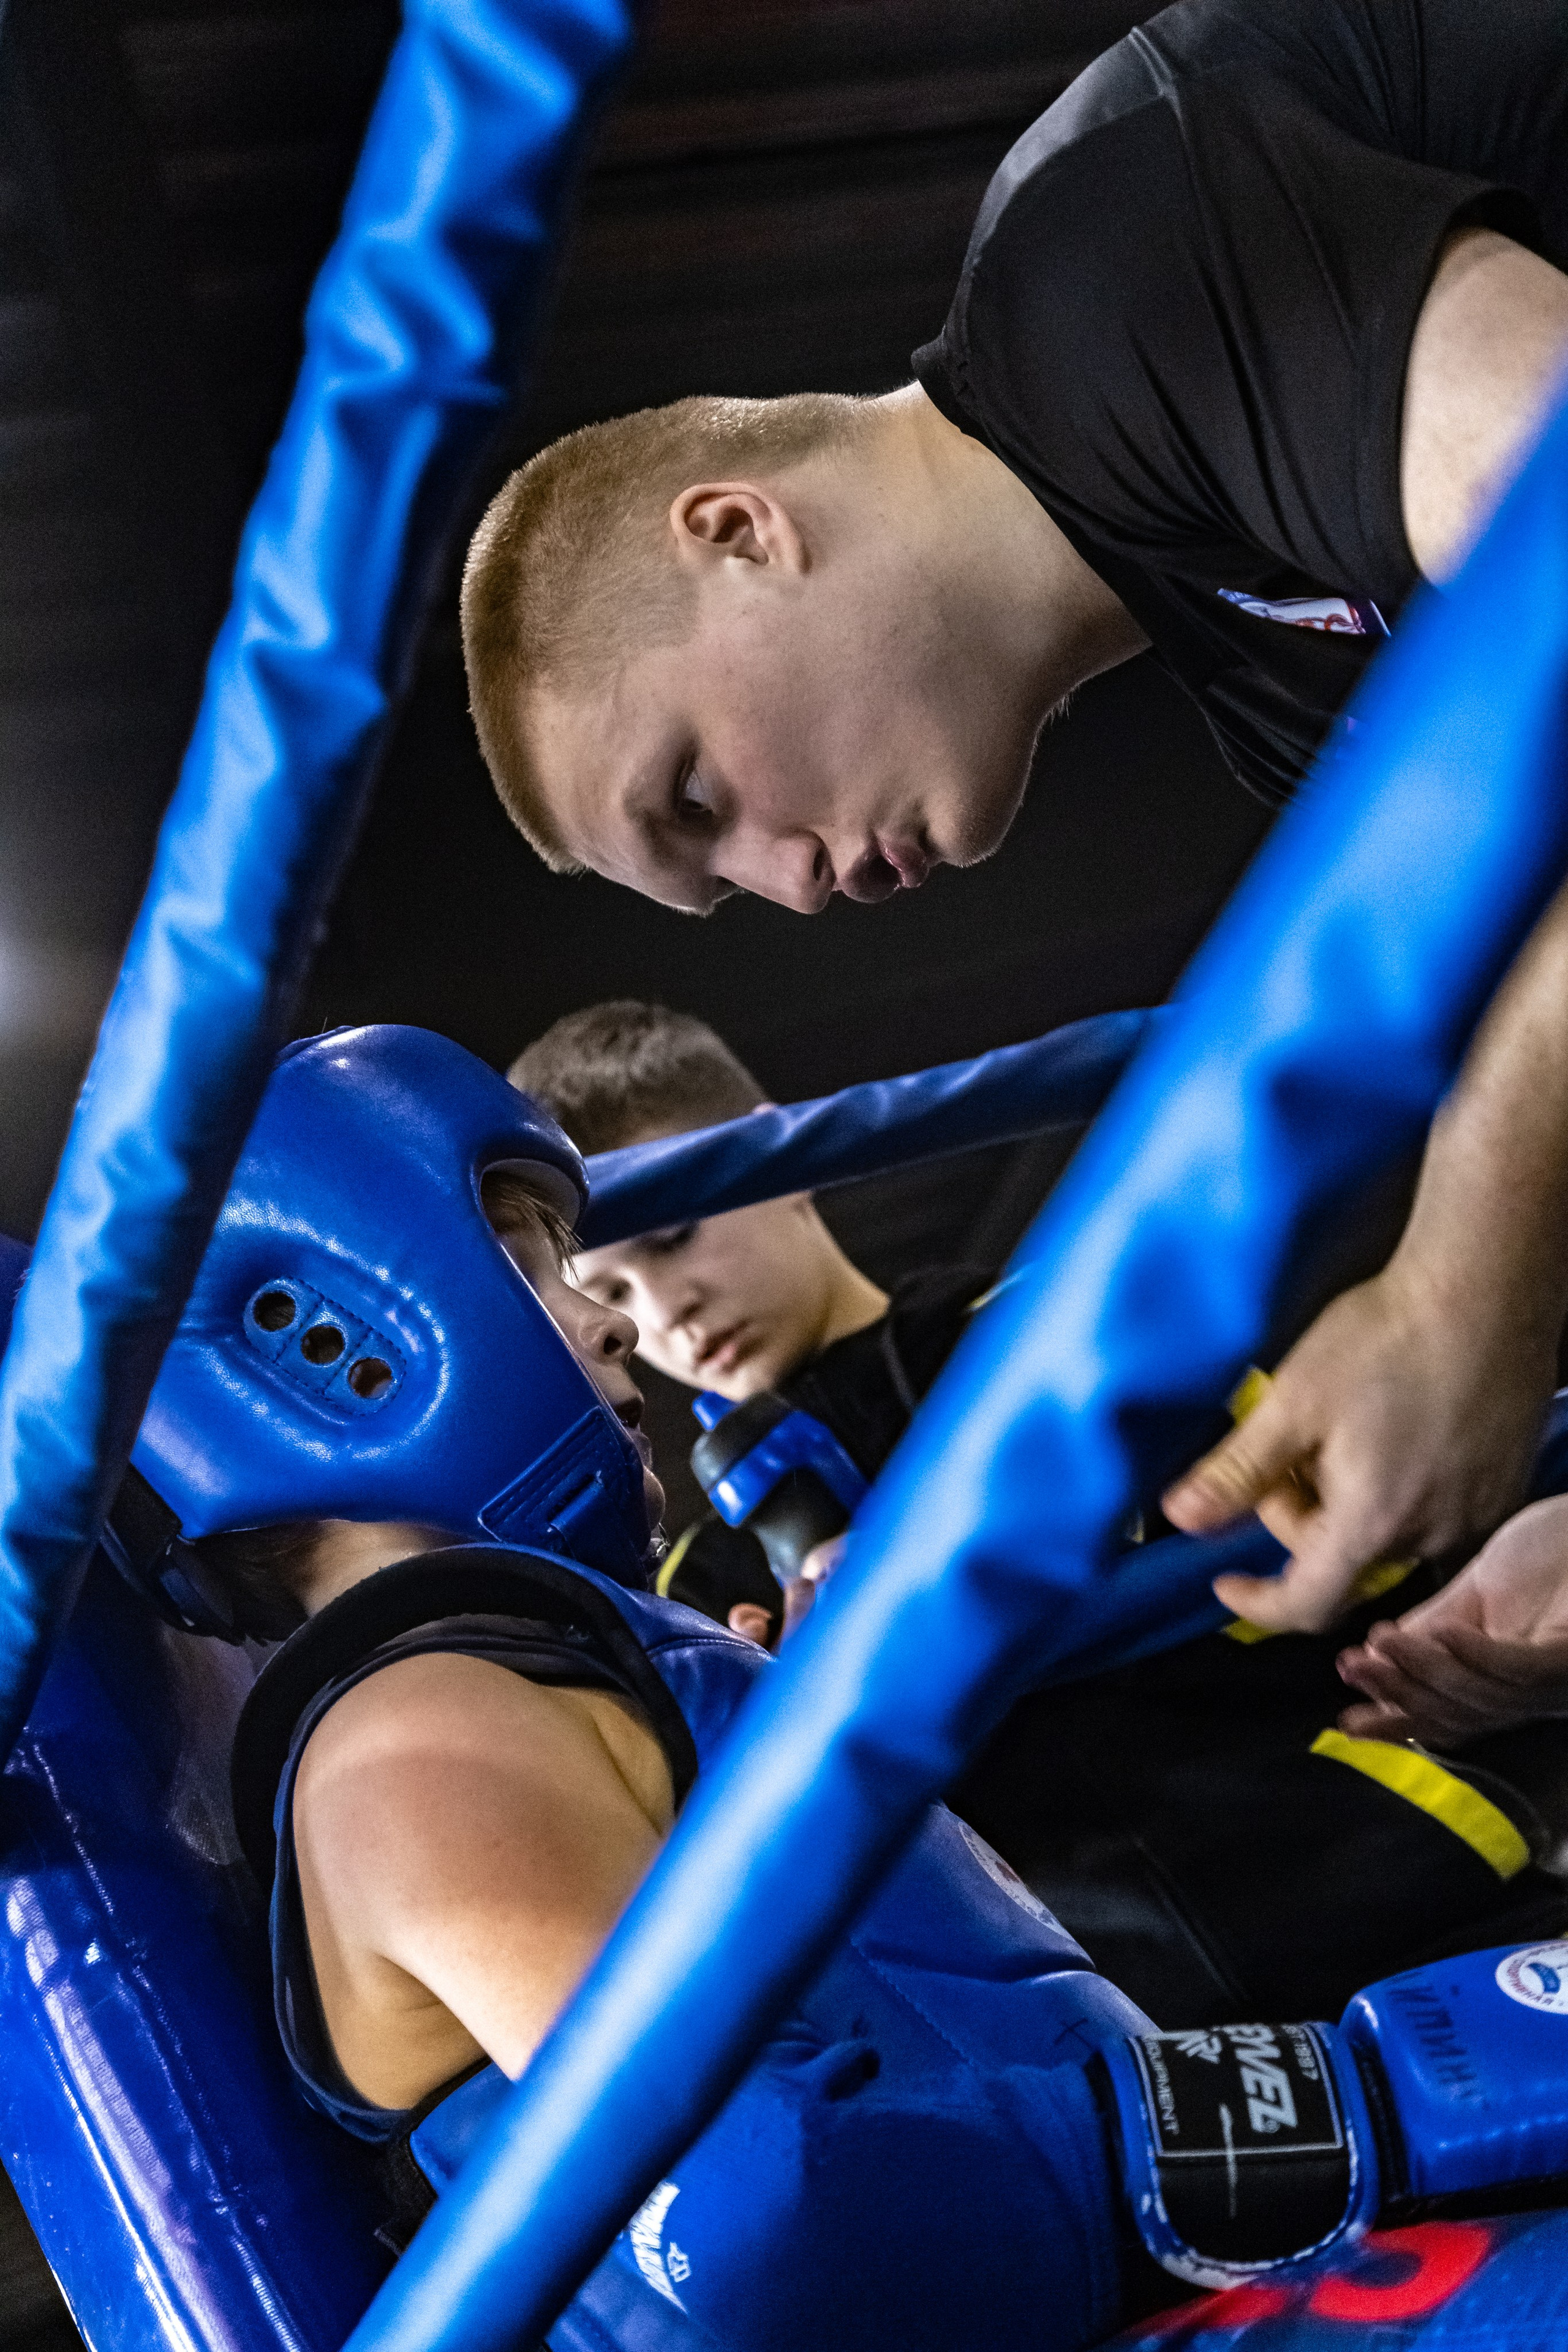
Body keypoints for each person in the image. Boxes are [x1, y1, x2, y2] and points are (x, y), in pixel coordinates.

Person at [458, 0, 1568, 1657]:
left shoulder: (1109, 253)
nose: (792, 881)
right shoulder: (1259, 664)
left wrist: (1468, 1291)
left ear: (740, 532)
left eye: (698, 797)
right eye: (721, 888)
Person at [510, 997, 1568, 2026]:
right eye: (614, 1292)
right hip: (1128, 2045)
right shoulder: (700, 1585)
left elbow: (1327, 1532)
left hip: (1403, 1889)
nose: (666, 1310)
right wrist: (779, 1710)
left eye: (680, 1235)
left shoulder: (1050, 1334)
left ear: (779, 1161)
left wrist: (947, 1570)